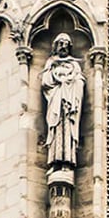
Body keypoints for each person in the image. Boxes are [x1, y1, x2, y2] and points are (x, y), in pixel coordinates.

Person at [42, 33, 85, 167]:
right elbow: (45, 82)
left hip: (69, 105)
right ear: (56, 46)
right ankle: (54, 163)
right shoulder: (51, 64)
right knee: (55, 129)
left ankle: (68, 162)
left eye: (65, 44)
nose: (63, 46)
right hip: (56, 101)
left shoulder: (74, 64)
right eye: (60, 43)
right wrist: (58, 79)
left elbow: (80, 81)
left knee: (68, 132)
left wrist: (70, 83)